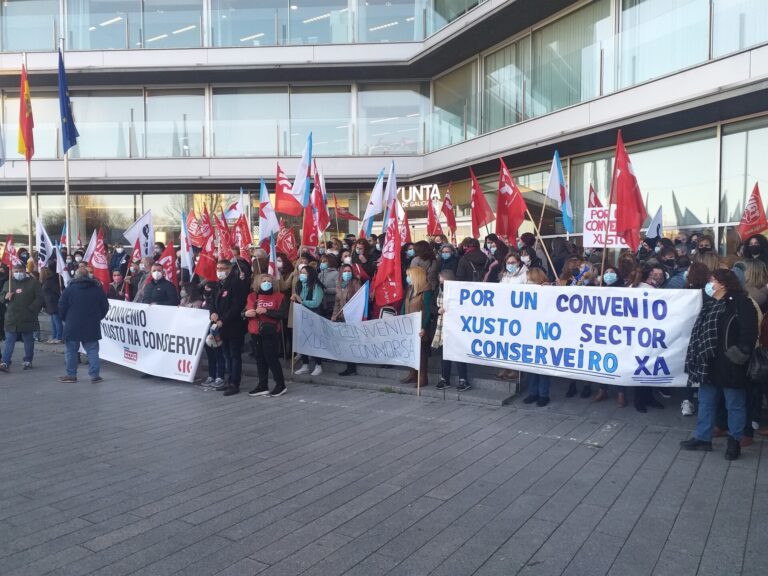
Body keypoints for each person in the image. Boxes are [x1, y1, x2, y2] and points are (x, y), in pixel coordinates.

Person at [681, 269, 758, 460]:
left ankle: (734, 442)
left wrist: (739, 355)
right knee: (706, 401)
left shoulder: (741, 303)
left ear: (723, 283)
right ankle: (703, 438)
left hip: (731, 363)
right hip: (709, 362)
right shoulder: (710, 303)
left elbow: (749, 332)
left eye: (712, 280)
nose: (710, 284)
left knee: (734, 404)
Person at [57, 267, 110, 383]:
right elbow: (105, 306)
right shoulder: (97, 289)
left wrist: (65, 318)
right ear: (88, 276)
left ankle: (71, 375)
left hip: (72, 324)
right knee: (92, 350)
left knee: (71, 350)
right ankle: (95, 375)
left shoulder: (69, 289)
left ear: (76, 276)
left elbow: (61, 306)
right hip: (91, 324)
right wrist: (98, 317)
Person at [245, 273, 288, 397]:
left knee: (271, 358)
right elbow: (245, 311)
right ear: (258, 283)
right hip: (255, 331)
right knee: (260, 359)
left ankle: (280, 384)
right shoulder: (252, 296)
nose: (266, 283)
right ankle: (262, 385)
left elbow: (282, 314)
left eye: (269, 281)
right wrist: (246, 313)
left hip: (270, 332)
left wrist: (267, 311)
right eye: (263, 281)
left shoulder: (279, 297)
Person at [211, 260, 248, 396]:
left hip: (233, 325)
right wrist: (213, 313)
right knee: (226, 354)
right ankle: (228, 379)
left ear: (230, 269)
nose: (220, 270)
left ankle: (234, 383)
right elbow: (213, 301)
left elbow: (237, 306)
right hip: (221, 326)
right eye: (218, 268)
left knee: (234, 355)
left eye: (223, 268)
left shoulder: (235, 282)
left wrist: (223, 319)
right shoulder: (218, 284)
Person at [0, 263, 44, 372]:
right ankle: (5, 362)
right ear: (13, 272)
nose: (18, 273)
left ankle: (28, 360)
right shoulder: (8, 283)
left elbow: (39, 298)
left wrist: (31, 309)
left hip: (27, 317)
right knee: (9, 340)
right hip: (12, 318)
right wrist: (6, 297)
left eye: (20, 271)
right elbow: (2, 298)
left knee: (28, 340)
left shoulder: (33, 283)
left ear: (25, 271)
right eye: (16, 271)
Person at [432, 270, 470, 391]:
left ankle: (463, 379)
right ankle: (445, 378)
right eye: (440, 281)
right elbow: (432, 307)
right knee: (445, 353)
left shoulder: (458, 291)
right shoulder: (437, 291)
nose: (441, 283)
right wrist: (438, 310)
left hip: (456, 325)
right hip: (442, 325)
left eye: (442, 280)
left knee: (458, 352)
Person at [521, 267, 552, 406]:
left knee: (543, 366)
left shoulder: (549, 292)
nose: (527, 283)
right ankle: (533, 393)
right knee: (531, 366)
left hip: (544, 333)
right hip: (529, 332)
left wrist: (550, 289)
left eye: (529, 280)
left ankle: (543, 394)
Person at [400, 266, 433, 388]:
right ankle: (413, 373)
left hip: (420, 325)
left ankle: (423, 377)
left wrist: (423, 327)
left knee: (422, 352)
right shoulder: (410, 288)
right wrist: (402, 318)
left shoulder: (426, 291)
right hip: (409, 324)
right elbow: (405, 304)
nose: (407, 278)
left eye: (409, 275)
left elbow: (428, 310)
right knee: (410, 350)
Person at [293, 265, 325, 376]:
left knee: (314, 341)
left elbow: (316, 302)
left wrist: (301, 301)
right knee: (303, 340)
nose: (302, 275)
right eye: (301, 272)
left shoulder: (317, 286)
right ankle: (305, 365)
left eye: (305, 273)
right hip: (302, 316)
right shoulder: (299, 285)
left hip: (314, 316)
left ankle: (318, 365)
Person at [331, 263, 362, 376]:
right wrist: (334, 315)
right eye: (345, 271)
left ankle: (352, 366)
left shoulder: (355, 283)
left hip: (352, 317)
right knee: (345, 342)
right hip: (342, 317)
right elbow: (337, 302)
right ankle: (349, 365)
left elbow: (359, 299)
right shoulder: (339, 284)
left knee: (351, 342)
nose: (347, 273)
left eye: (349, 271)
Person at [40, 266, 63, 344]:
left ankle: (59, 337)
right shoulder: (47, 282)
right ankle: (54, 336)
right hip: (50, 304)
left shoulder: (50, 282)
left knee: (57, 321)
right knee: (53, 322)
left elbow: (58, 291)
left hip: (54, 304)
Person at [318, 254, 339, 318]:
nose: (322, 263)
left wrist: (326, 290)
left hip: (331, 305)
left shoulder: (336, 274)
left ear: (330, 262)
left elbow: (339, 289)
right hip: (321, 304)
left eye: (324, 261)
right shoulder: (320, 274)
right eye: (321, 261)